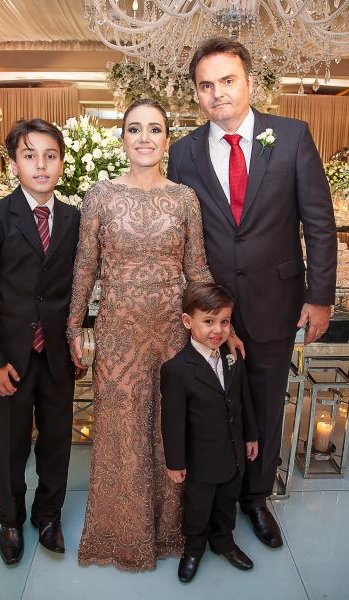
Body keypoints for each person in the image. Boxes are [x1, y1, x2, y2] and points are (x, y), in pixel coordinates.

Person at [168, 37, 337, 548]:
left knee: (264, 402)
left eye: (227, 80)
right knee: (211, 404)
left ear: (248, 82)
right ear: (196, 94)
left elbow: (319, 222)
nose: (217, 92)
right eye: (206, 85)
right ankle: (214, 497)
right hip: (209, 308)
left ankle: (256, 498)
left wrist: (319, 296)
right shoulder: (183, 152)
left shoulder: (291, 136)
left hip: (275, 300)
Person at [67, 98, 243, 571]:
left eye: (154, 129)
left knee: (172, 428)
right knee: (122, 430)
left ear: (167, 139)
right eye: (134, 129)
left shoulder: (184, 198)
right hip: (118, 334)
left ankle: (173, 531)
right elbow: (84, 268)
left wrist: (220, 326)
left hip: (172, 332)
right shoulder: (100, 196)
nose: (144, 138)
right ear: (122, 138)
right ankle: (122, 534)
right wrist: (73, 328)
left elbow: (197, 269)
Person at [0, 119, 80, 565]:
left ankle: (48, 515)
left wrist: (77, 342)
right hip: (7, 357)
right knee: (10, 443)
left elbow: (75, 288)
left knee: (57, 441)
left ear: (62, 163)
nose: (41, 165)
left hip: (55, 356)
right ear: (14, 164)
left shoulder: (72, 219)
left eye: (50, 156)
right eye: (30, 156)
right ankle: (9, 519)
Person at [161, 281, 258, 583]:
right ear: (187, 322)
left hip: (233, 453)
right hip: (200, 460)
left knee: (227, 502)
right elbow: (172, 421)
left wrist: (250, 436)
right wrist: (175, 462)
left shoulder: (232, 357)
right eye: (209, 321)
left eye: (225, 322)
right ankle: (193, 549)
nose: (218, 330)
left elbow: (243, 400)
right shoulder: (177, 369)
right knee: (198, 507)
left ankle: (224, 542)